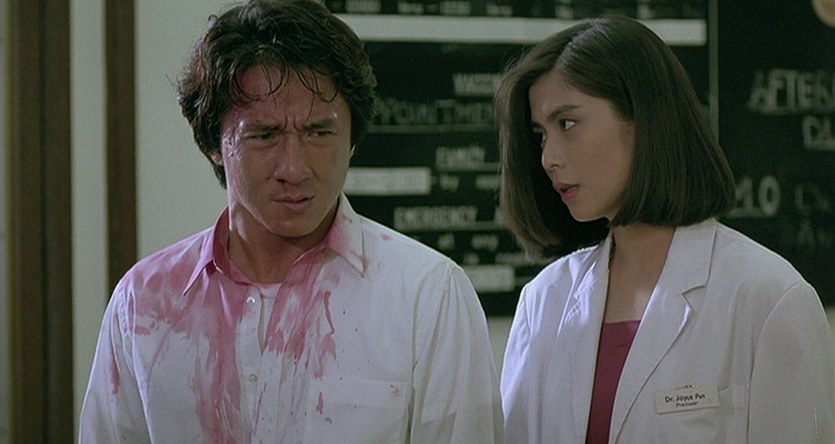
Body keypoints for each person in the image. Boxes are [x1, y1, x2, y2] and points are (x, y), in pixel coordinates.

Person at [79, 1, 502, 442]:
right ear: (214, 144)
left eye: (319, 132)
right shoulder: (144, 302)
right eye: (265, 135)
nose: (294, 168)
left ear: (352, 139)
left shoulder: (426, 295)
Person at [495, 15, 833, 444]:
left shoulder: (767, 298)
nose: (548, 159)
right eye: (540, 135)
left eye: (567, 124)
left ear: (643, 119)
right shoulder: (544, 301)